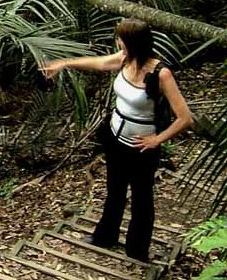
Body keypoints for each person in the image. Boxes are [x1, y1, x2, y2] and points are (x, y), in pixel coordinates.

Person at [40, 19, 193, 262]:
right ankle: (106, 236)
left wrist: (157, 140)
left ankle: (137, 249)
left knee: (142, 198)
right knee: (115, 190)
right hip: (115, 137)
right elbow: (99, 63)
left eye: (121, 38)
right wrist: (64, 64)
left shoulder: (160, 73)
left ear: (133, 42)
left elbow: (185, 118)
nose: (118, 42)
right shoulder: (124, 59)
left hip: (142, 145)